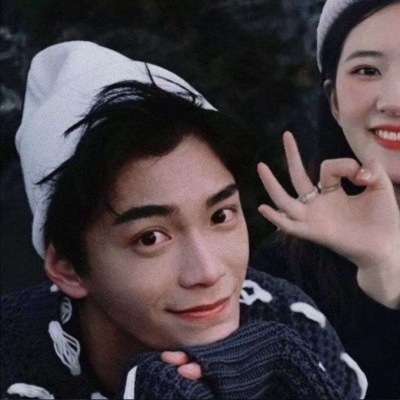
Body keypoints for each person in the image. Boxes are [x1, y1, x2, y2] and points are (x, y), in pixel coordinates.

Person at [0, 41, 364, 399]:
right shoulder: (12, 364)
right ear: (67, 267)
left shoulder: (287, 322)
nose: (208, 272)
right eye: (150, 238)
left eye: (220, 216)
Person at [254, 0, 400, 398]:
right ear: (334, 101)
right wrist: (380, 278)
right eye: (367, 70)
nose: (393, 100)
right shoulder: (276, 279)